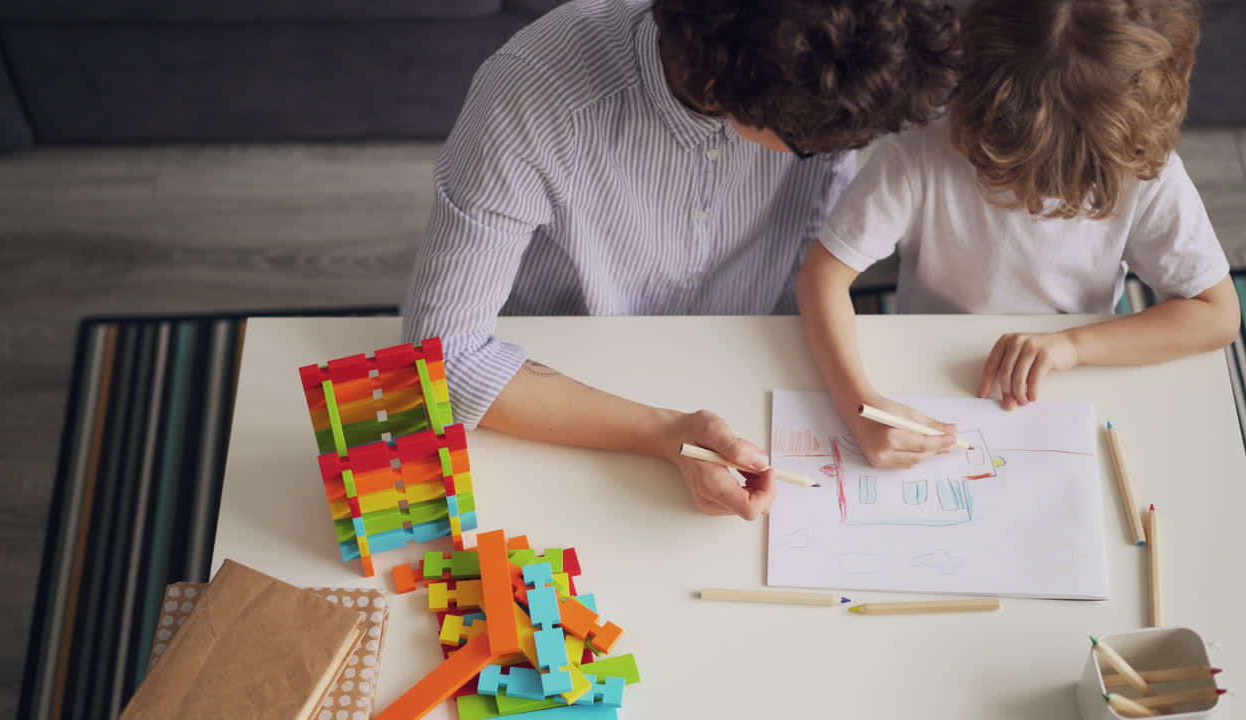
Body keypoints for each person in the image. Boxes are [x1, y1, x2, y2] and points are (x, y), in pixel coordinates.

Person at [404, 0, 961, 517]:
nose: (837, 151)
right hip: (560, 378)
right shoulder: (534, 95)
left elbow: (813, 248)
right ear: (716, 87)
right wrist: (666, 435)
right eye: (810, 144)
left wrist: (854, 395)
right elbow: (442, 361)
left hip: (751, 358)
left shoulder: (828, 80)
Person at [799, 0, 1239, 469]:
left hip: (1078, 378)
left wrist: (1073, 346)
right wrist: (860, 405)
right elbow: (821, 279)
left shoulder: (1140, 168)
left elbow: (1218, 316)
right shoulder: (921, 147)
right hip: (929, 362)